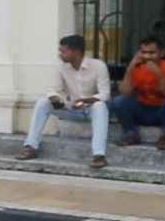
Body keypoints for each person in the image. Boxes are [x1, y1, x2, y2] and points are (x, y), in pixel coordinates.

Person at [16, 35, 111, 169]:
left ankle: (99, 155)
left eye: (63, 51)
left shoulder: (98, 66)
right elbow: (53, 89)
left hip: (92, 110)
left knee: (100, 106)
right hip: (73, 108)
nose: (60, 54)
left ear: (76, 52)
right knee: (43, 102)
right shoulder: (61, 67)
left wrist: (84, 101)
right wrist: (56, 99)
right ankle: (31, 147)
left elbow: (105, 94)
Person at [109, 36, 165, 150]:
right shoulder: (136, 68)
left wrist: (158, 74)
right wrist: (130, 68)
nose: (147, 56)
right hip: (142, 110)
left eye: (151, 53)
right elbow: (124, 92)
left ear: (161, 53)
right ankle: (132, 135)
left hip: (163, 112)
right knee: (117, 101)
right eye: (143, 52)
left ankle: (164, 137)